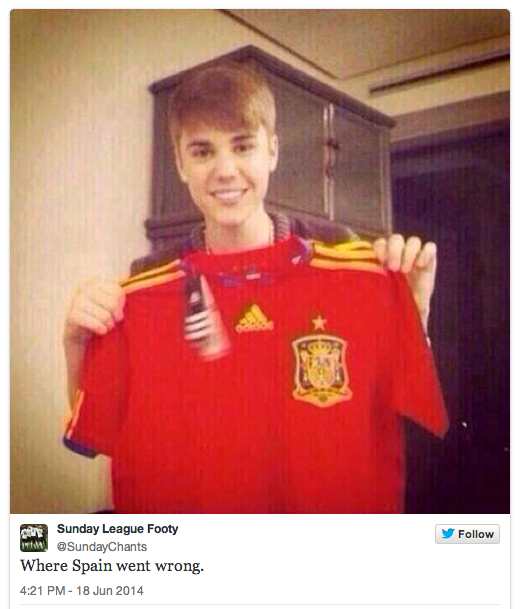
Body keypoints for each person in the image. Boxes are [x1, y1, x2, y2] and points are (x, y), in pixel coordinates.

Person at [63, 62, 447, 513]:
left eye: (243, 146)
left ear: (272, 152)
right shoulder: (145, 283)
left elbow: (403, 401)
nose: (225, 170)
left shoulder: (349, 258)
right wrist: (76, 343)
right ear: (180, 164)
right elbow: (99, 425)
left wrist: (413, 313)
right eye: (203, 152)